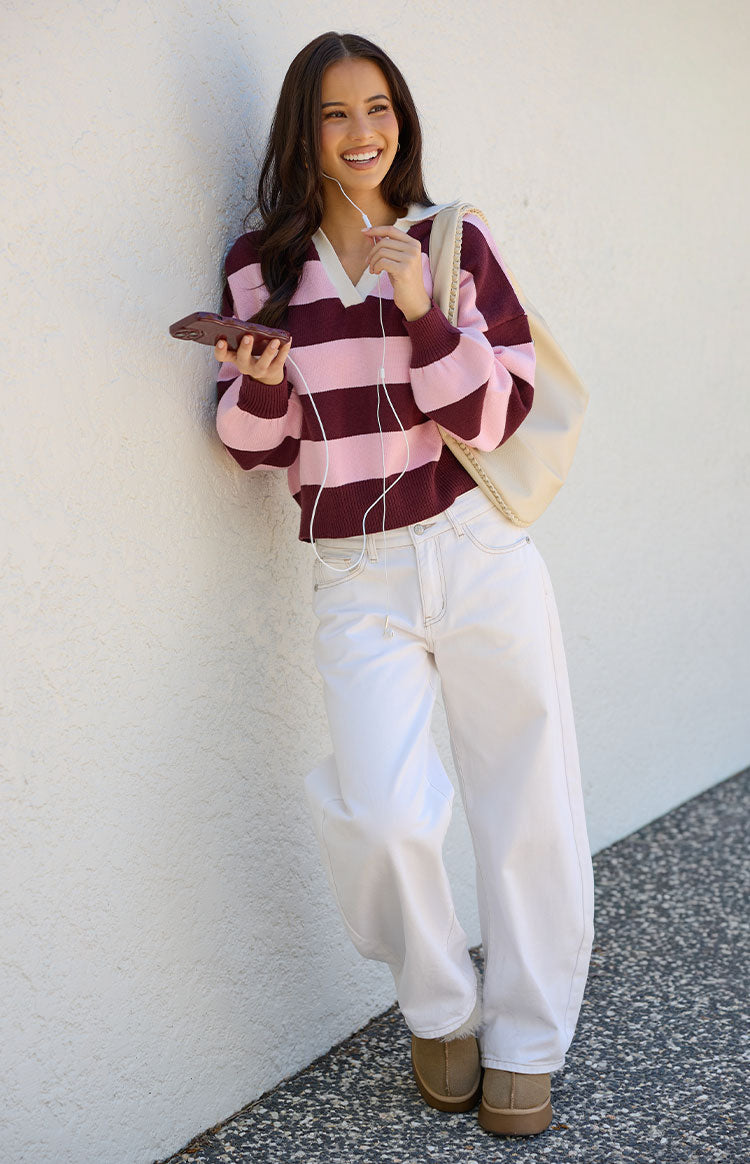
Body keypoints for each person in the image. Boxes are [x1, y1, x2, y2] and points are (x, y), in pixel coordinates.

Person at [212, 30, 595, 1138]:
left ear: (402, 118)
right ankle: (439, 1003)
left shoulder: (452, 238)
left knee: (526, 797)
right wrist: (261, 382)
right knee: (381, 811)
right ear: (305, 131)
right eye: (335, 114)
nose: (362, 132)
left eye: (377, 107)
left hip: (476, 552)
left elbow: (493, 413)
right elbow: (253, 449)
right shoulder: (261, 269)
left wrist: (428, 308)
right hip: (356, 574)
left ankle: (528, 1038)